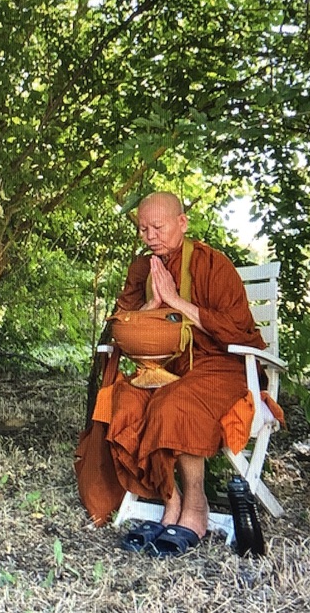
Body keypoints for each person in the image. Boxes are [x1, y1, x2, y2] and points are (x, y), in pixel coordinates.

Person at [105, 191, 265, 556]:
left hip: (220, 367)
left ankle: (196, 506)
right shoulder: (141, 269)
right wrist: (152, 305)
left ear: (182, 223)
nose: (149, 236)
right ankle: (170, 500)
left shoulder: (214, 265)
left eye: (158, 227)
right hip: (164, 365)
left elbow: (239, 331)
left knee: (176, 400)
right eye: (143, 229)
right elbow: (120, 323)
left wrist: (177, 303)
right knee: (126, 397)